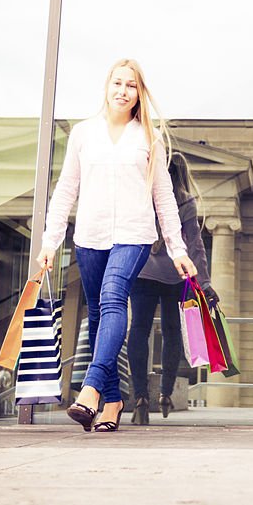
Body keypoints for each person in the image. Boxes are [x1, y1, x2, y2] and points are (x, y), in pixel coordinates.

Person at [37, 59, 198, 433]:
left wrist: (177, 248)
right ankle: (113, 400)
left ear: (139, 93)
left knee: (112, 298)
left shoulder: (148, 138)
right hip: (89, 236)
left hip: (134, 234)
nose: (123, 91)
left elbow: (164, 197)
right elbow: (66, 190)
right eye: (117, 83)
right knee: (97, 316)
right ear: (107, 87)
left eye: (131, 85)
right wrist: (50, 241)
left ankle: (90, 389)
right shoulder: (83, 134)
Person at [127, 153, 218, 425]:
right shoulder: (186, 201)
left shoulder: (145, 195)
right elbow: (195, 246)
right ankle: (166, 393)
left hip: (142, 271)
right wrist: (204, 282)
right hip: (174, 275)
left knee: (139, 330)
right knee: (171, 330)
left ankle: (140, 397)